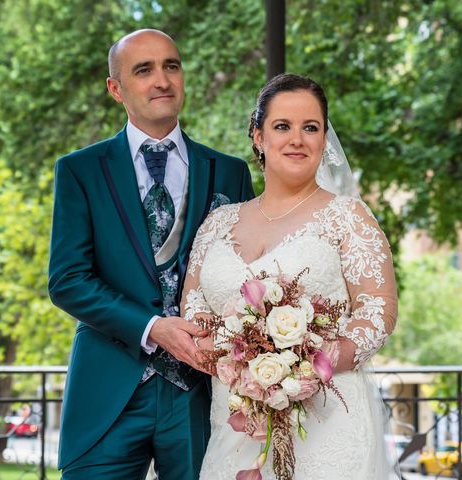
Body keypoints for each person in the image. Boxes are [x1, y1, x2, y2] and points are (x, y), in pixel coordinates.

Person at [48, 29, 254, 480]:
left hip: (199, 390)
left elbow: (249, 278)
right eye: (144, 70)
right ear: (115, 88)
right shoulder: (80, 171)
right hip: (109, 387)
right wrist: (153, 328)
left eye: (171, 66)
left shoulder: (231, 173)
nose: (162, 79)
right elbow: (67, 280)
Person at [182, 73, 399, 479]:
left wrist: (308, 365)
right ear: (258, 136)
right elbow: (194, 306)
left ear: (323, 140)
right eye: (282, 126)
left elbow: (378, 309)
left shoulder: (346, 217)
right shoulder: (217, 222)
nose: (296, 139)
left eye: (310, 127)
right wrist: (240, 359)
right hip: (235, 420)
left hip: (327, 418)